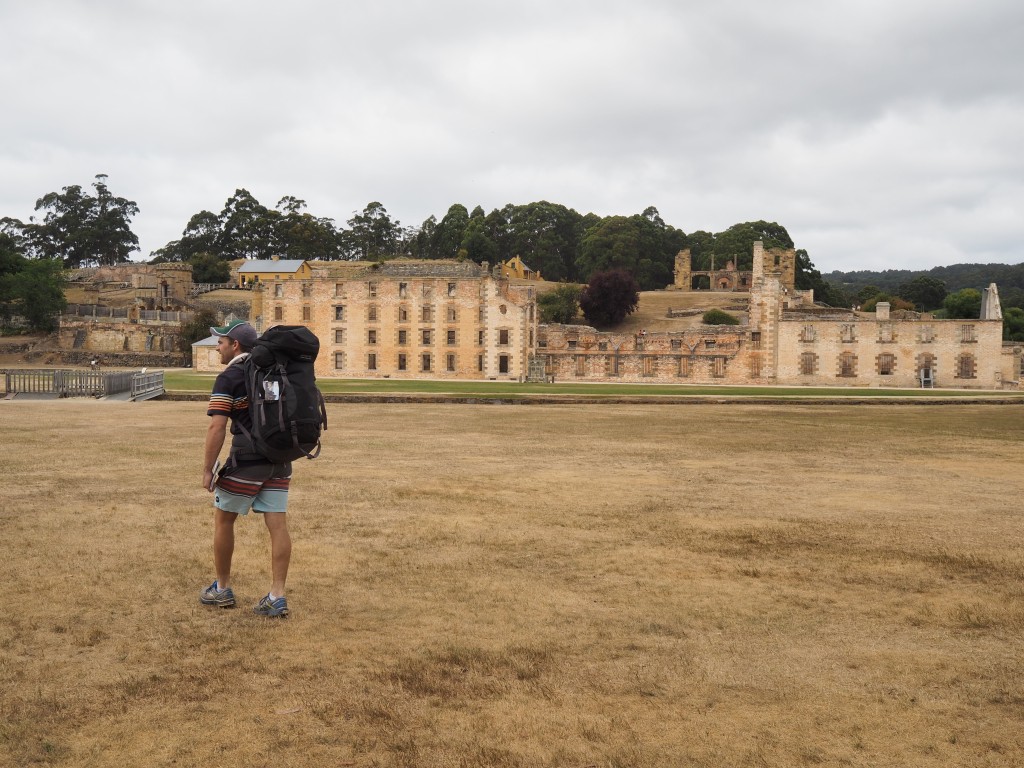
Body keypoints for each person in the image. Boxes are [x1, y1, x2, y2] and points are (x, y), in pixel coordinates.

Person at [199, 319, 292, 618]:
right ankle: (277, 595)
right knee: (278, 525)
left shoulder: (230, 376)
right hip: (279, 459)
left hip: (246, 460)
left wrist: (207, 469)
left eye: (221, 342)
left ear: (235, 345)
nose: (217, 347)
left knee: (224, 521)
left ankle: (222, 588)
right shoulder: (273, 371)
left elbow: (217, 426)